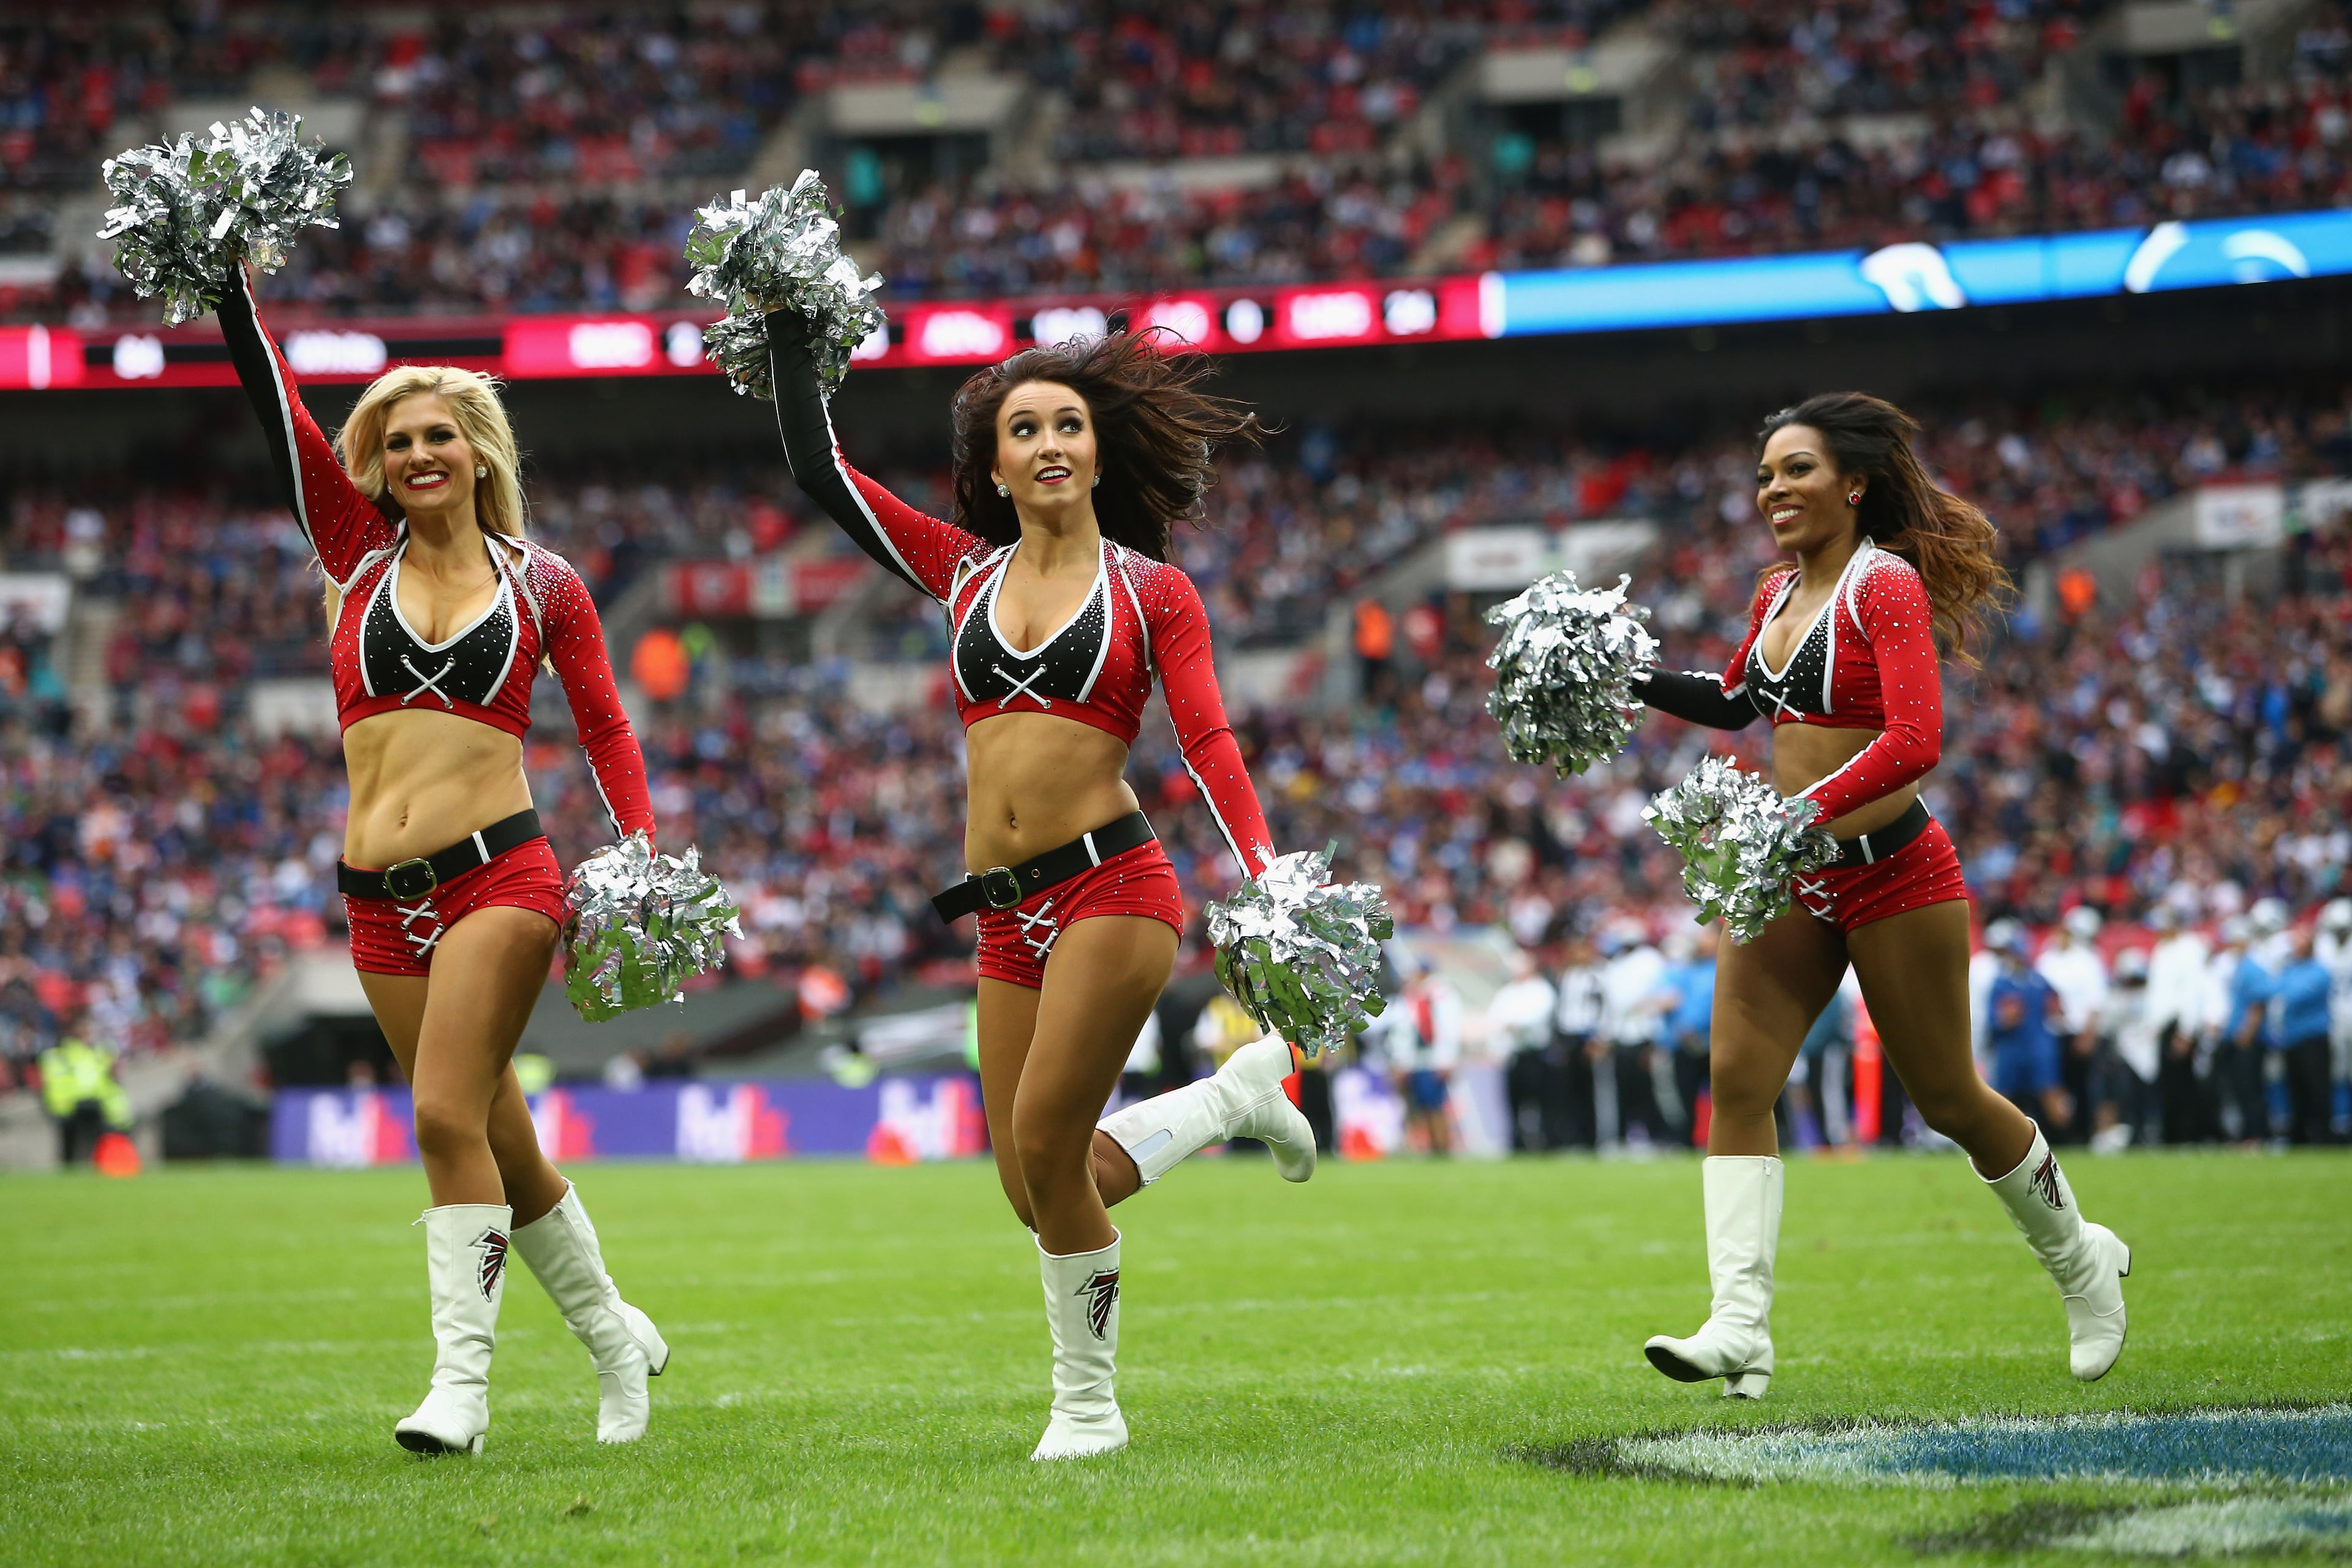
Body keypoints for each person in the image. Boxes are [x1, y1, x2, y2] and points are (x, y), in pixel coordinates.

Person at [766, 312, 1310, 1460]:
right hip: (1004, 915)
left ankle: (1088, 1407)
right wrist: (786, 329)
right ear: (995, 465)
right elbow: (820, 472)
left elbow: (1209, 742)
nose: (1052, 441)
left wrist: (1263, 875)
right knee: (1030, 1182)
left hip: (1116, 889)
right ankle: (1231, 1101)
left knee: (1050, 1147)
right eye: (1026, 428)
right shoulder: (958, 568)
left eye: (1070, 423)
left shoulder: (1154, 591)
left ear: (1099, 452)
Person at [220, 268, 666, 1455]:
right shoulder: (354, 555)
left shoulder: (544, 582)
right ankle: (618, 1339)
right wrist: (227, 287)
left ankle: (459, 1391)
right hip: (376, 900)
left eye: (441, 435)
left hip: (503, 876)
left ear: (478, 452)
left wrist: (640, 848)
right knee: (494, 1129)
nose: (420, 453)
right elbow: (280, 410)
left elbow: (609, 727)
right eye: (399, 440)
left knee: (435, 1112)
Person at [1629, 392, 2130, 1395]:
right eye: (1767, 473)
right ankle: (1739, 1327)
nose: (1776, 488)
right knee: (1737, 1079)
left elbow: (1916, 740)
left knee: (1948, 1098)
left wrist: (1800, 810)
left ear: (1852, 484)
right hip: (1790, 876)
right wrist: (1629, 671)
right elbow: (1736, 703)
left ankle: (2084, 1265)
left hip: (1895, 873)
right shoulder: (1775, 594)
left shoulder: (1883, 584)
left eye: (1798, 469)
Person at [1985, 922, 2069, 1135]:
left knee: (2050, 1091)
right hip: (2011, 1046)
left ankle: (2066, 1137)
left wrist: (2056, 1010)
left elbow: (2058, 1009)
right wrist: (2005, 1019)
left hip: (2037, 1044)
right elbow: (1993, 1020)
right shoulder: (2001, 982)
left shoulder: (2039, 981)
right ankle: (1998, 1138)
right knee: (2003, 1096)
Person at [2035, 908, 2110, 1144]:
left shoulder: (2087, 960)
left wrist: (2088, 1033)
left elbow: (2095, 1000)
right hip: (2051, 1032)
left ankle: (2083, 1134)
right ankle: (2056, 1135)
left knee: (2080, 1086)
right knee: (2052, 1086)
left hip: (2077, 1031)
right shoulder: (2047, 959)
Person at [2145, 905, 2213, 1145]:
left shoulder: (2189, 948)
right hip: (2164, 1026)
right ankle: (2172, 1135)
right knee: (2169, 1085)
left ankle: (2188, 1135)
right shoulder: (2162, 949)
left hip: (2178, 1025)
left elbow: (2191, 993)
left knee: (2183, 1084)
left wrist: (2186, 1030)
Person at [2266, 925, 2336, 1145]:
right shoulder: (2290, 969)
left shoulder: (2320, 971)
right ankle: (2300, 1134)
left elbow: (2293, 996)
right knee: (2295, 1087)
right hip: (2292, 1038)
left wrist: (2282, 994)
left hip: (2313, 1037)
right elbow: (2276, 992)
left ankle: (2323, 1133)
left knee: (2318, 1087)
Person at [1487, 949, 1560, 1152]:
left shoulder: (1540, 990)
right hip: (1514, 1055)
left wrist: (1512, 1024)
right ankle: (1517, 1144)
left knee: (1539, 1101)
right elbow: (1496, 1020)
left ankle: (1545, 1142)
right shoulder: (1508, 992)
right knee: (1514, 1102)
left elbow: (1534, 1017)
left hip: (1535, 1054)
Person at [37, 1023, 131, 1165]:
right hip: (70, 1104)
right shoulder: (66, 1054)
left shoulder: (96, 1053)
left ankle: (97, 1165)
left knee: (98, 1140)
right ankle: (72, 1167)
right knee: (71, 1143)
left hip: (94, 1103)